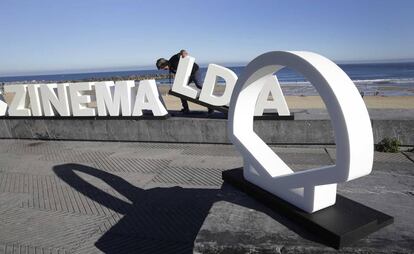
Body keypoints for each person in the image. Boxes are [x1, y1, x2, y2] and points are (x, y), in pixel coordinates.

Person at [156, 50, 213, 114]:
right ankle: (186, 109)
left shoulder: (173, 59)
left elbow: (180, 53)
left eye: (162, 67)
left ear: (165, 63)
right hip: (187, 76)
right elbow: (179, 77)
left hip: (194, 71)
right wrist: (175, 87)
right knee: (180, 91)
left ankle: (210, 105)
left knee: (199, 85)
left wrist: (183, 53)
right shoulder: (171, 68)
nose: (163, 69)